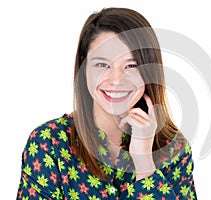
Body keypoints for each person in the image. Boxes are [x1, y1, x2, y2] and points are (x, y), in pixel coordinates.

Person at [17, 7, 197, 199]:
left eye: (131, 66)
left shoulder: (173, 148)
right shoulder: (49, 143)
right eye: (102, 65)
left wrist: (145, 165)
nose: (116, 79)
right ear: (84, 67)